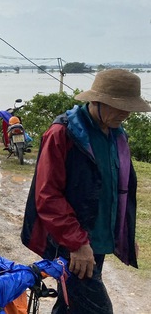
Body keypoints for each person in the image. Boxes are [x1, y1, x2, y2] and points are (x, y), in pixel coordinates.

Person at [21, 69, 150, 314]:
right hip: (72, 244)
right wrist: (76, 243)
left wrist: (124, 233)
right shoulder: (63, 134)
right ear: (96, 101)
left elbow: (117, 191)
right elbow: (48, 196)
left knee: (70, 307)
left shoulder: (117, 135)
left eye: (130, 106)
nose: (126, 113)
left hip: (97, 243)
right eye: (118, 105)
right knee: (98, 310)